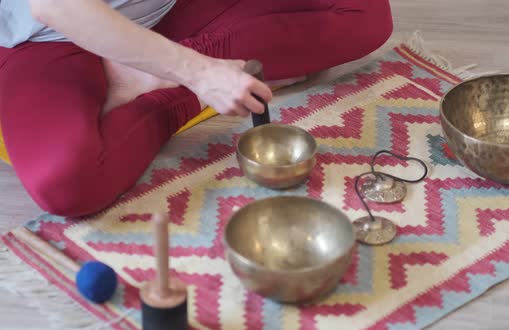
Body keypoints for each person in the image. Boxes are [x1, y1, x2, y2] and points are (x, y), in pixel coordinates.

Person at [0, 0, 393, 217]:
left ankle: (159, 76)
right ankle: (182, 85)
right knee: (67, 185)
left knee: (363, 11)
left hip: (168, 10)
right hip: (49, 38)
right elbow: (56, 6)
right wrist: (199, 73)